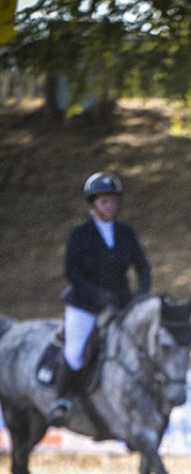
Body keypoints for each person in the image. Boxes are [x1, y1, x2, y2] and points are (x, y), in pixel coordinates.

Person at [47, 171, 151, 426]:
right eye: (104, 201)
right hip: (84, 305)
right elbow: (71, 272)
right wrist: (99, 296)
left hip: (120, 305)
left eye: (113, 200)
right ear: (94, 204)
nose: (110, 205)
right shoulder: (79, 234)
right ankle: (61, 401)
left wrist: (141, 296)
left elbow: (143, 267)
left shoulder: (126, 232)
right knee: (75, 350)